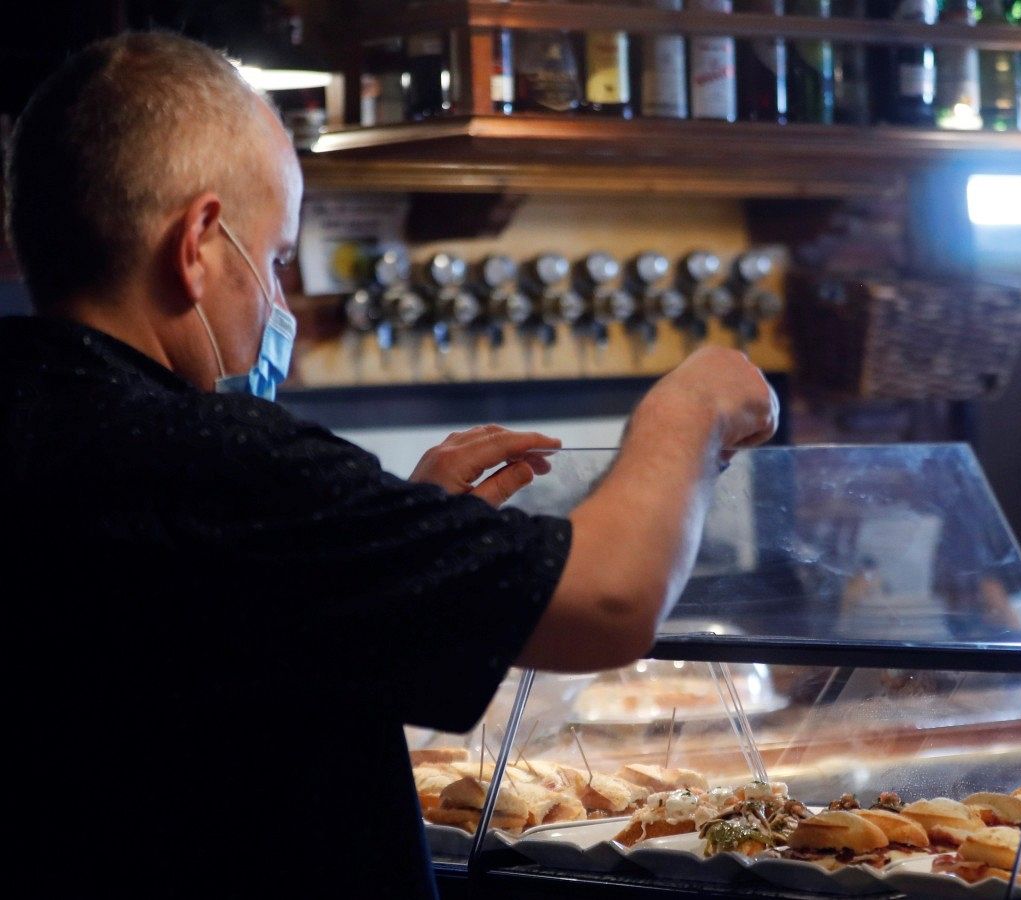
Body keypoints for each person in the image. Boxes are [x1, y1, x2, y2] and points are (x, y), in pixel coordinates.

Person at [1, 33, 777, 896]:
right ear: (198, 243)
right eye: (280, 259)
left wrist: (392, 540)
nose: (282, 303)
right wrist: (690, 411)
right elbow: (611, 599)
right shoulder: (212, 461)